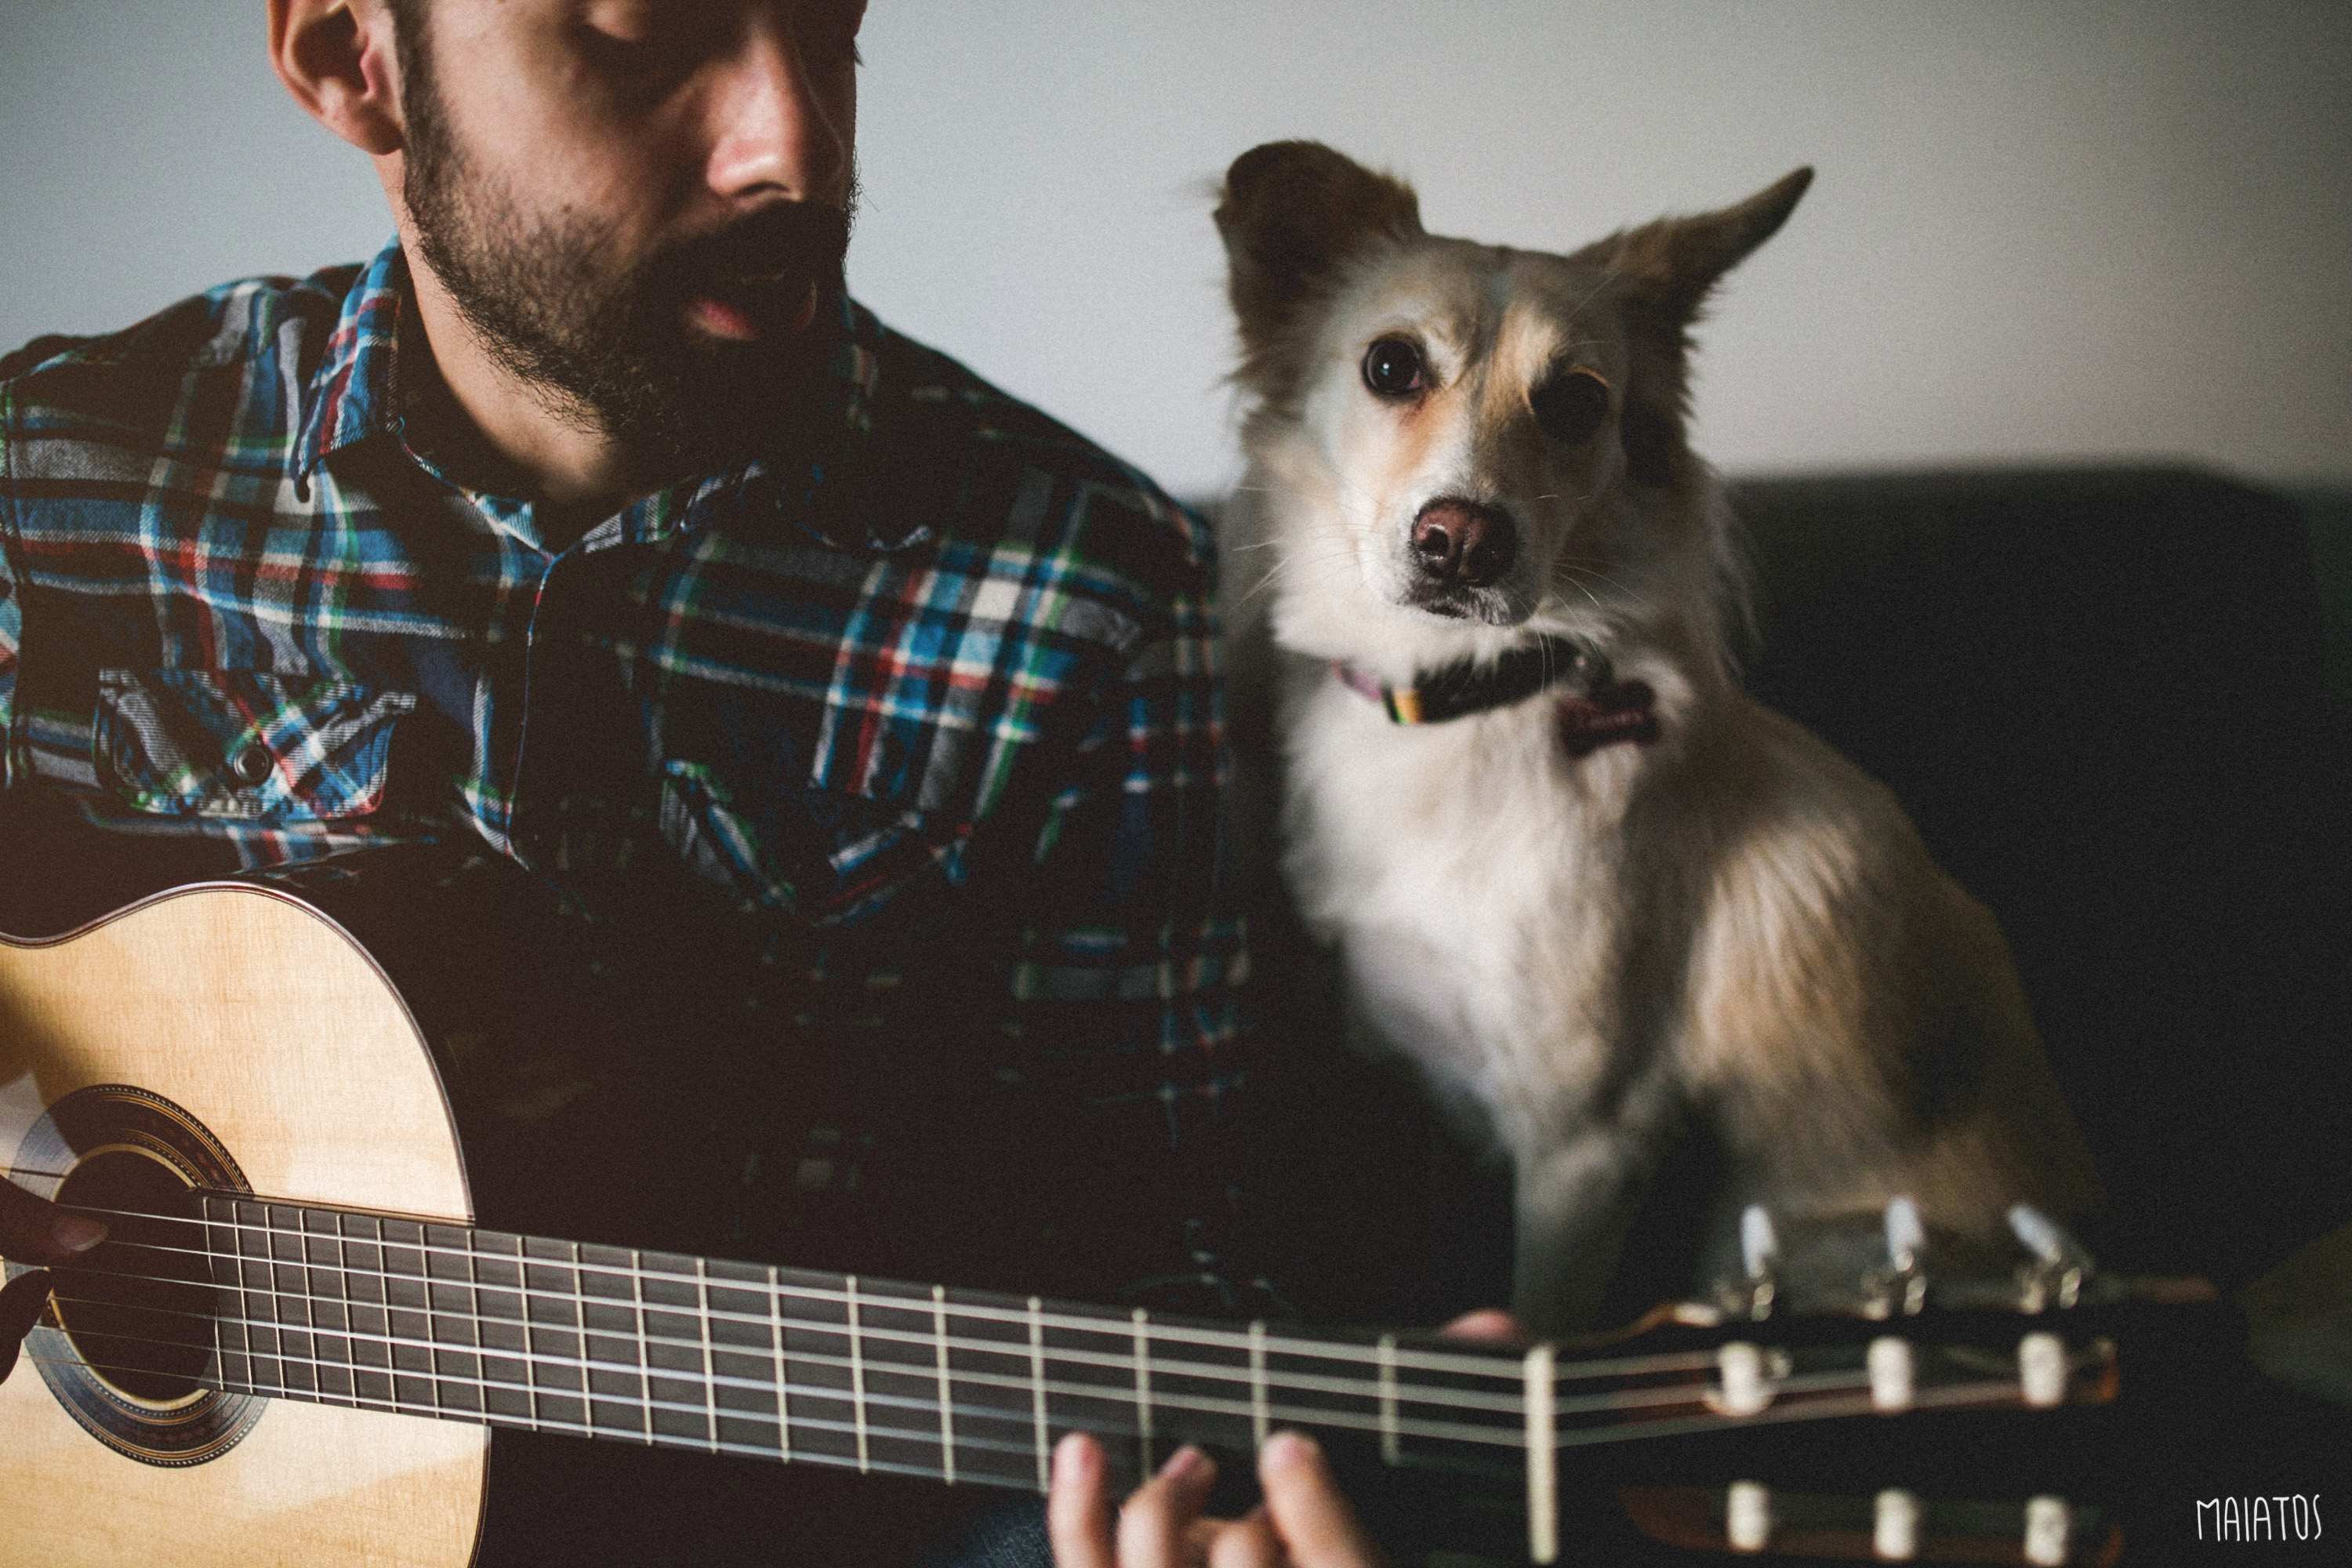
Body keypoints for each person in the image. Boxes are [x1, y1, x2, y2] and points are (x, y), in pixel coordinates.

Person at [0, 2, 1486, 1563]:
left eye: (830, 28)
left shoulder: (1084, 594)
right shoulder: (52, 486)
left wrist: (1196, 1514)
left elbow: (1171, 1242)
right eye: (651, 37)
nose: (797, 143)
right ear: (351, 63)